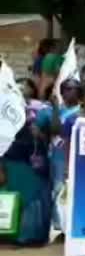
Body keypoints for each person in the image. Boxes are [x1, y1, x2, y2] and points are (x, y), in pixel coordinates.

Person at [1, 92, 51, 245]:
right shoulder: (5, 123)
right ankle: (12, 234)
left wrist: (39, 134)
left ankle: (31, 236)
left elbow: (47, 141)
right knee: (14, 201)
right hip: (13, 168)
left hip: (33, 170)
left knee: (33, 201)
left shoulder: (36, 118)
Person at [35, 78, 81, 231]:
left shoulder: (83, 111)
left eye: (74, 88)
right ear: (61, 92)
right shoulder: (48, 110)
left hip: (78, 155)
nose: (71, 91)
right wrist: (55, 109)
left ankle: (74, 224)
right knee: (58, 189)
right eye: (68, 88)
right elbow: (44, 130)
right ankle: (59, 226)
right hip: (57, 156)